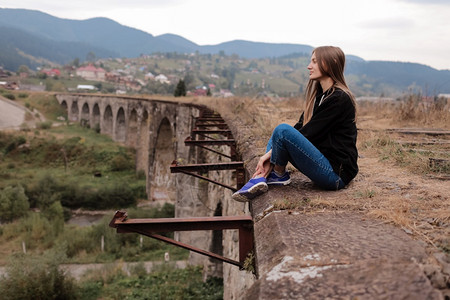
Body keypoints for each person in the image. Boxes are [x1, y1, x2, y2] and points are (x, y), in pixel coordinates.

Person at [232, 46, 358, 202]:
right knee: (278, 134)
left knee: (282, 131)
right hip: (324, 165)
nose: (309, 66)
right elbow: (300, 128)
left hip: (336, 175)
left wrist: (268, 155)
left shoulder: (339, 98)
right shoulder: (320, 97)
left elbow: (309, 134)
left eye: (314, 62)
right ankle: (265, 175)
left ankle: (275, 174)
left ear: (330, 63)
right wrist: (272, 152)